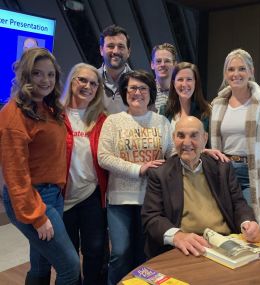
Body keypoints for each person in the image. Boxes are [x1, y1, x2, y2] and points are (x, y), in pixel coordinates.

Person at [0, 48, 80, 285]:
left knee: (41, 262)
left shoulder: (48, 108)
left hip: (52, 194)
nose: (45, 80)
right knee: (70, 267)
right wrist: (37, 216)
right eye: (37, 73)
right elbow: (16, 176)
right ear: (25, 75)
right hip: (32, 199)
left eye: (50, 74)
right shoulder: (13, 116)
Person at [141, 116, 260, 258]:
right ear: (174, 138)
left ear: (205, 139)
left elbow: (238, 204)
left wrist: (247, 223)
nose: (187, 142)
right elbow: (151, 217)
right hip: (184, 249)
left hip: (225, 243)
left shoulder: (222, 167)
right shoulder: (159, 173)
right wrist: (177, 236)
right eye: (181, 135)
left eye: (194, 135)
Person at [98, 70, 174, 285]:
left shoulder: (161, 122)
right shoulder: (113, 122)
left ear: (150, 93)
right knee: (120, 253)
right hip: (120, 199)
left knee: (145, 255)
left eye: (143, 88)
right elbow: (104, 157)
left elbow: (173, 154)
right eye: (132, 88)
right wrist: (139, 169)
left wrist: (199, 152)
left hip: (151, 200)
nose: (137, 93)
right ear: (124, 92)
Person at [211, 48, 260, 234]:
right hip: (225, 171)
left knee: (251, 227)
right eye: (231, 69)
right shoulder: (218, 104)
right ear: (226, 74)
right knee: (228, 226)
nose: (236, 74)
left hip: (254, 172)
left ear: (251, 71)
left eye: (242, 69)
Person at [61, 63, 108, 285]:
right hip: (61, 197)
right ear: (72, 81)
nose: (87, 86)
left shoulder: (101, 119)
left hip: (91, 195)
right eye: (82, 80)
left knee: (94, 251)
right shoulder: (55, 114)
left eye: (93, 83)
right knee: (68, 256)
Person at [164, 62, 211, 133]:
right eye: (180, 79)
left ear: (195, 82)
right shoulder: (165, 111)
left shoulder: (207, 112)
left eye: (189, 79)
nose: (184, 84)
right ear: (174, 83)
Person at [98, 24, 132, 114]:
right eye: (111, 46)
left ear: (128, 52)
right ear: (101, 50)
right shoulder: (90, 81)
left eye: (121, 47)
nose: (115, 51)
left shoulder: (140, 83)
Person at [150, 43, 177, 113]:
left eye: (167, 61)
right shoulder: (145, 91)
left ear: (175, 64)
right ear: (152, 65)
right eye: (158, 61)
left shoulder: (181, 91)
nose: (162, 64)